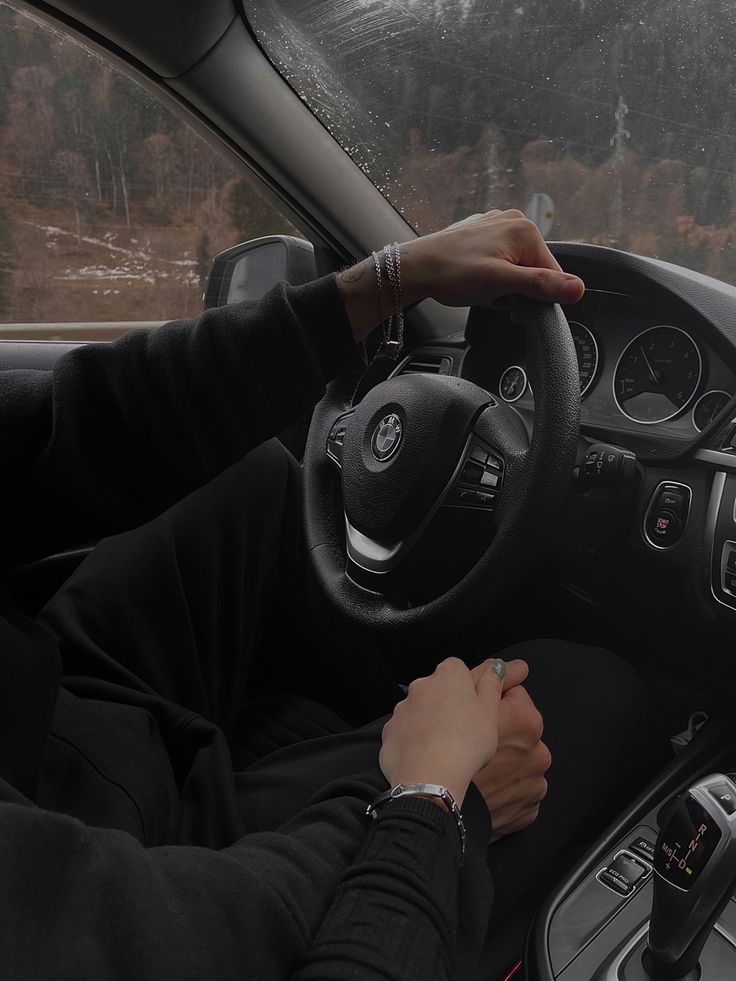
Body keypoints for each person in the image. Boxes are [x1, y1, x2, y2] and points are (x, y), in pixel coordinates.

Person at [0, 210, 659, 979]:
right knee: (591, 693)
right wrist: (441, 800)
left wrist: (385, 281)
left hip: (53, 727)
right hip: (120, 886)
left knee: (249, 475)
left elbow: (75, 430)